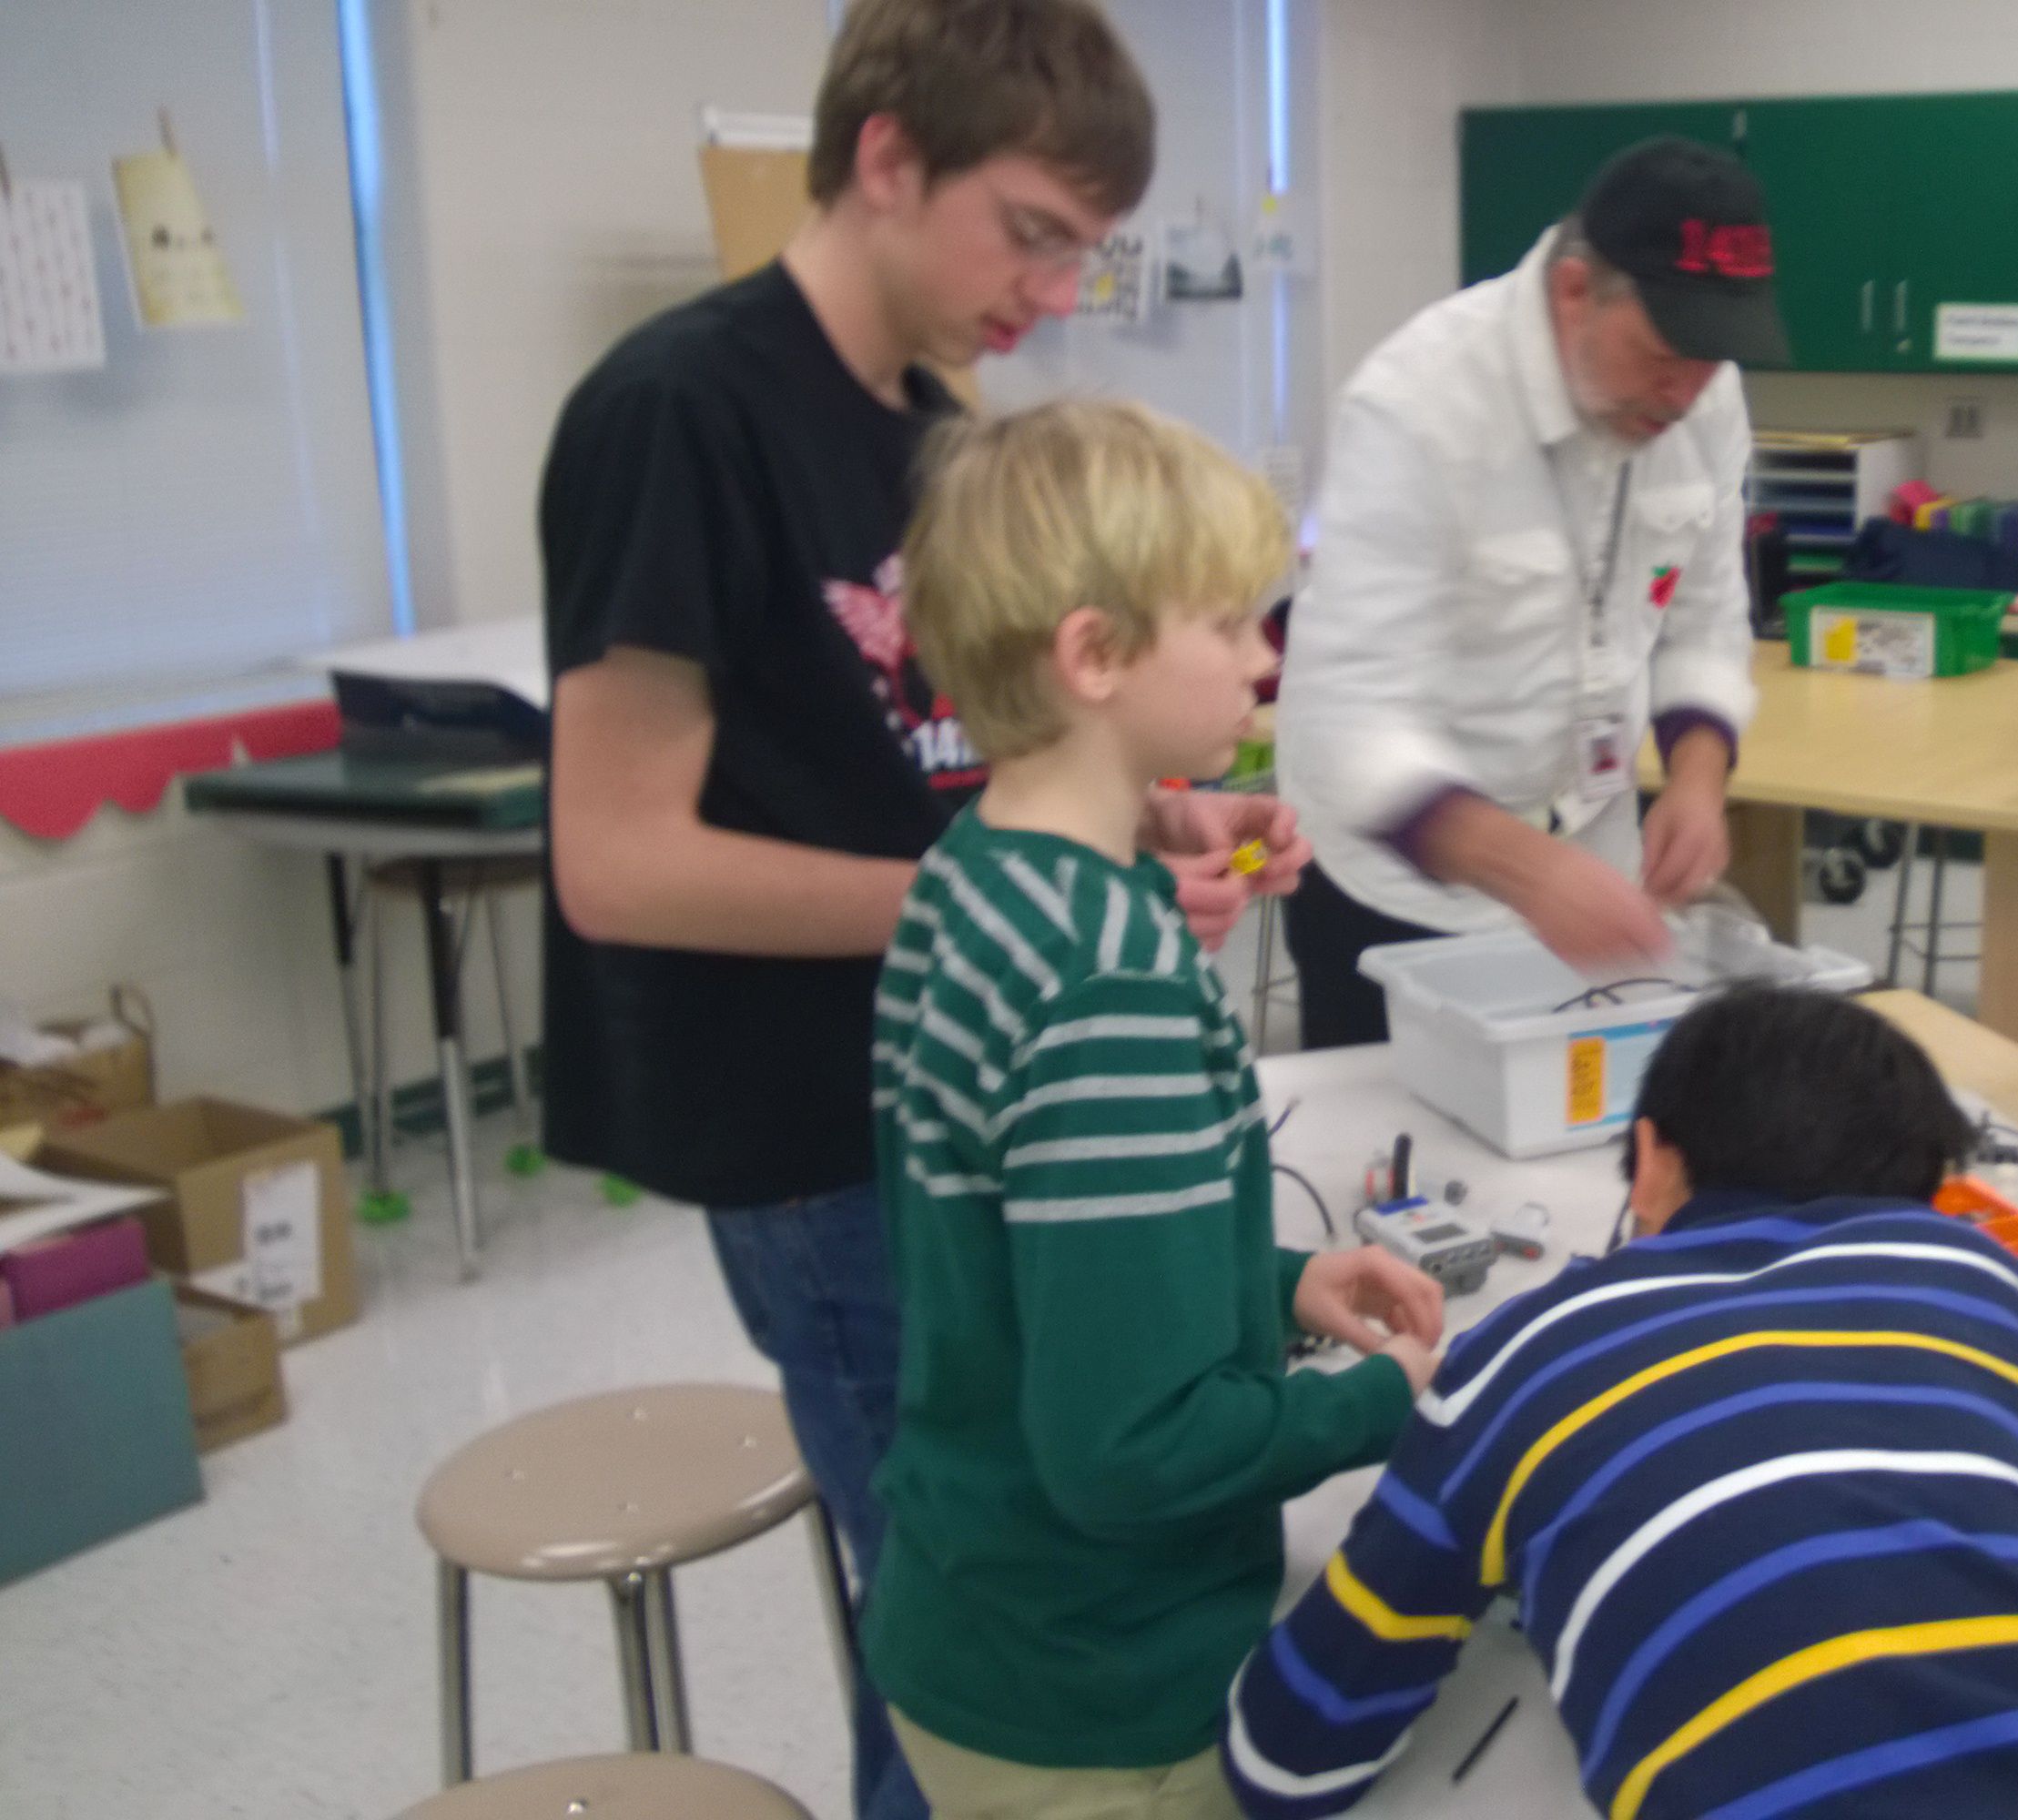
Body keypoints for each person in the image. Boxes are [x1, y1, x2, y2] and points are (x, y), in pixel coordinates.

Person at [534, 8, 1292, 1814]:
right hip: (817, 1126)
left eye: (1079, 248)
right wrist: (1018, 901)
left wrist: (1150, 809)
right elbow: (619, 860)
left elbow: (969, 751)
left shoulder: (934, 421)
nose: (1053, 285)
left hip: (954, 1074)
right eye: (1029, 229)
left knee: (1007, 1559)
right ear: (887, 158)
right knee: (968, 1631)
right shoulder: (680, 410)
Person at [1223, 985, 2018, 1820]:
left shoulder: (1525, 1352)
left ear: (1654, 1154)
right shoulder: (1987, 1280)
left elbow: (1289, 1756)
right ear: (1923, 1188)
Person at [865, 399, 1449, 1817]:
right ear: (1095, 656)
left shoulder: (974, 879)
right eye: (1233, 622)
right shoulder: (1109, 979)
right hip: (1102, 1703)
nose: (1266, 654)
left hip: (974, 1617)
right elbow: (1126, 1453)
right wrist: (1390, 1403)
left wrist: (1283, 1277)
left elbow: (1046, 1266)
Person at [1275, 136, 1780, 1047]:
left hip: (1595, 866)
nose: (1686, 390)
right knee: (1395, 1174)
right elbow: (1348, 720)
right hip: (1403, 886)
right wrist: (1527, 871)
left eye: (1712, 360)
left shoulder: (1703, 394)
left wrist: (1699, 782)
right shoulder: (1417, 405)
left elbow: (1706, 614)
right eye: (1666, 354)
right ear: (1576, 291)